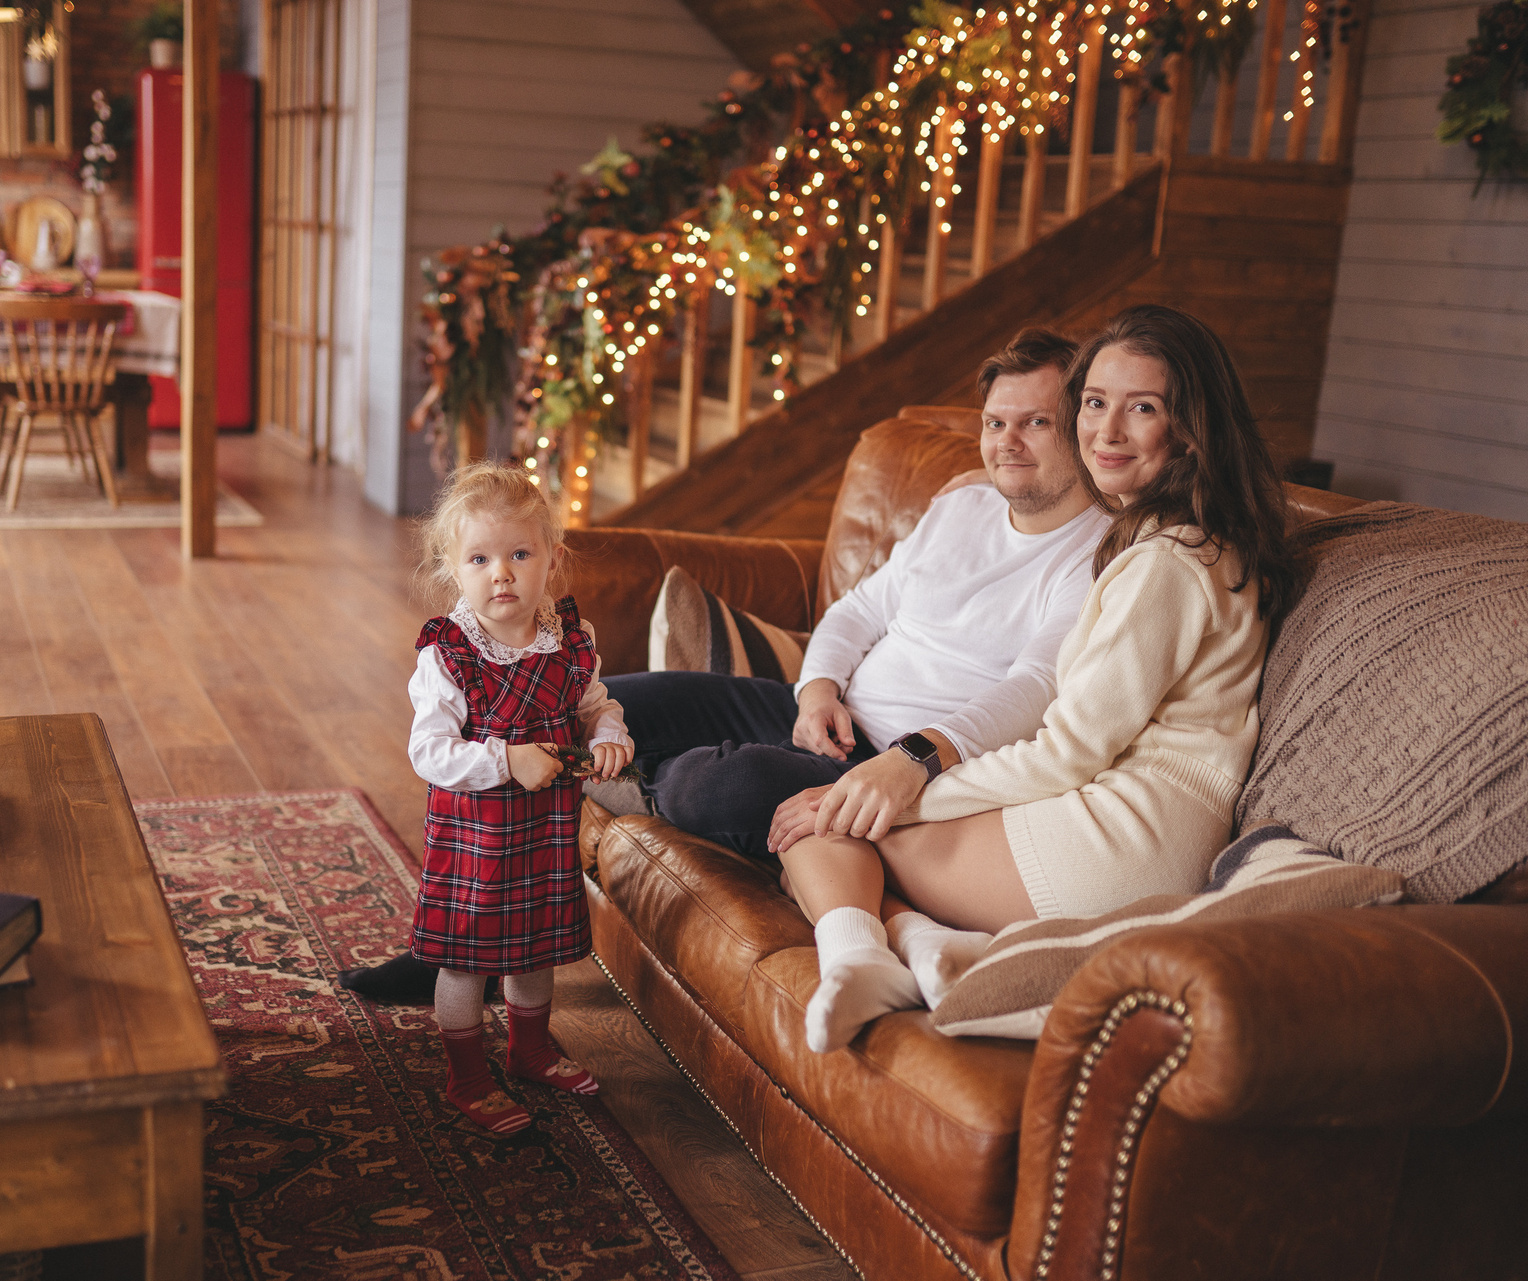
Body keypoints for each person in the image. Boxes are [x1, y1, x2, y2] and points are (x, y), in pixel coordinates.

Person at [342, 327, 1107, 1003]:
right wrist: (817, 687)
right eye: (996, 422)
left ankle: (674, 794)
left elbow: (1033, 690)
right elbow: (859, 610)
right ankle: (456, 949)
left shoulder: (1099, 555)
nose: (1007, 442)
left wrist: (909, 760)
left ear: (1080, 424)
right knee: (580, 710)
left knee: (704, 786)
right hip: (814, 712)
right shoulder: (963, 505)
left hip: (892, 764)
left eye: (1035, 422)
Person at [784, 303, 1303, 1053]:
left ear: (1190, 428)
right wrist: (882, 785)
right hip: (1130, 816)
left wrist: (893, 784)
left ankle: (864, 954)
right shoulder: (1187, 539)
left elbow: (1067, 752)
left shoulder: (1165, 563)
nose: (1106, 431)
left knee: (819, 829)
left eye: (1143, 408)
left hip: (1121, 839)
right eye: (1094, 403)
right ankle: (920, 945)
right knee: (836, 825)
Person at [402, 461, 636, 1134]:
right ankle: (467, 1074)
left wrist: (610, 734)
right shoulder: (450, 654)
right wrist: (508, 759)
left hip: (545, 829)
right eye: (480, 559)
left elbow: (596, 705)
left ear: (552, 560)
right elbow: (428, 752)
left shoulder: (569, 643)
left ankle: (529, 1050)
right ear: (454, 568)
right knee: (467, 958)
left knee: (534, 947)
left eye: (519, 555)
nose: (500, 574)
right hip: (474, 838)